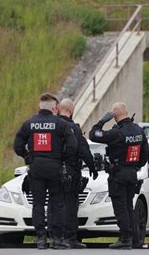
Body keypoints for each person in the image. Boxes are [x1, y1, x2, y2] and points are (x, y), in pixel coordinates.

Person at [14, 93, 77, 250]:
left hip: (36, 168)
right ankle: (56, 239)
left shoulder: (29, 124)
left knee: (38, 204)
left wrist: (28, 157)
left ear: (40, 106)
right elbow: (73, 145)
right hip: (55, 168)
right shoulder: (60, 124)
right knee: (57, 204)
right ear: (54, 108)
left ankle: (41, 239)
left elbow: (17, 145)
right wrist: (62, 158)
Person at [89, 102, 149, 250]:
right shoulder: (139, 131)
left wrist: (101, 121)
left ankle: (125, 238)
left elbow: (94, 135)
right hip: (132, 173)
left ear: (114, 115)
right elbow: (146, 152)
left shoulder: (117, 133)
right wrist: (136, 166)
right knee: (129, 207)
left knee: (120, 208)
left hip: (118, 174)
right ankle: (133, 239)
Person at [58, 98, 98, 249]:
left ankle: (56, 237)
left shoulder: (52, 126)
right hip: (70, 171)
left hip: (53, 171)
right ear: (71, 110)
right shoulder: (73, 128)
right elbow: (84, 150)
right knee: (70, 205)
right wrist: (92, 168)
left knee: (55, 204)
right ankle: (70, 238)